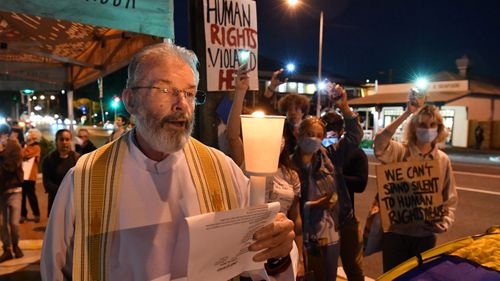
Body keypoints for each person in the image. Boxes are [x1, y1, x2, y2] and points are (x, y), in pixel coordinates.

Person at [41, 41, 295, 281]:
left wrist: (278, 249)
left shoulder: (222, 171)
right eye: (165, 90)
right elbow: (54, 270)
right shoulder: (86, 178)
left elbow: (259, 261)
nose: (182, 105)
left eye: (190, 93)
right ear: (130, 100)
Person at [227, 69, 305, 279]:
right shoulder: (247, 162)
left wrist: (300, 254)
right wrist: (240, 92)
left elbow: (295, 219)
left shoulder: (291, 176)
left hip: (281, 248)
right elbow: (232, 135)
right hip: (250, 247)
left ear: (282, 142)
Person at [373, 101, 458, 272]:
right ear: (413, 127)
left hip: (425, 237)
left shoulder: (442, 160)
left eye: (432, 124)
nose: (428, 129)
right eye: (422, 124)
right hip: (396, 234)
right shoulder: (399, 151)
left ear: (439, 128)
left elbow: (450, 198)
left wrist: (444, 222)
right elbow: (380, 144)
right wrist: (406, 113)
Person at [321, 108, 367, 281]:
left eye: (331, 133)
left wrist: (337, 175)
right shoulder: (312, 154)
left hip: (345, 219)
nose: (326, 138)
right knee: (324, 269)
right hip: (319, 223)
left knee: (353, 267)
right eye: (323, 133)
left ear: (341, 132)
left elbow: (361, 183)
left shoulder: (343, 152)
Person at [0, 124, 24, 261]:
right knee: (2, 223)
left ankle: (16, 245)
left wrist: (1, 153)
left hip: (14, 190)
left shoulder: (14, 147)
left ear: (6, 134)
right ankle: (7, 249)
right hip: (0, 192)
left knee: (14, 223)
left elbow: (11, 167)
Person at [42, 129, 79, 216]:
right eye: (61, 139)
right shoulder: (48, 160)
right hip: (55, 201)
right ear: (56, 141)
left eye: (67, 139)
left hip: (73, 202)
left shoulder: (77, 159)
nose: (64, 142)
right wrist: (63, 190)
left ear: (71, 141)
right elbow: (47, 183)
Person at [20, 128, 42, 224]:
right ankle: (23, 215)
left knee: (31, 195)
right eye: (29, 135)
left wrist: (25, 147)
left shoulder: (36, 147)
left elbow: (24, 154)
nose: (29, 137)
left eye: (32, 135)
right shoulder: (25, 145)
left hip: (30, 176)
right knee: (22, 196)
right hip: (22, 174)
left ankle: (36, 214)